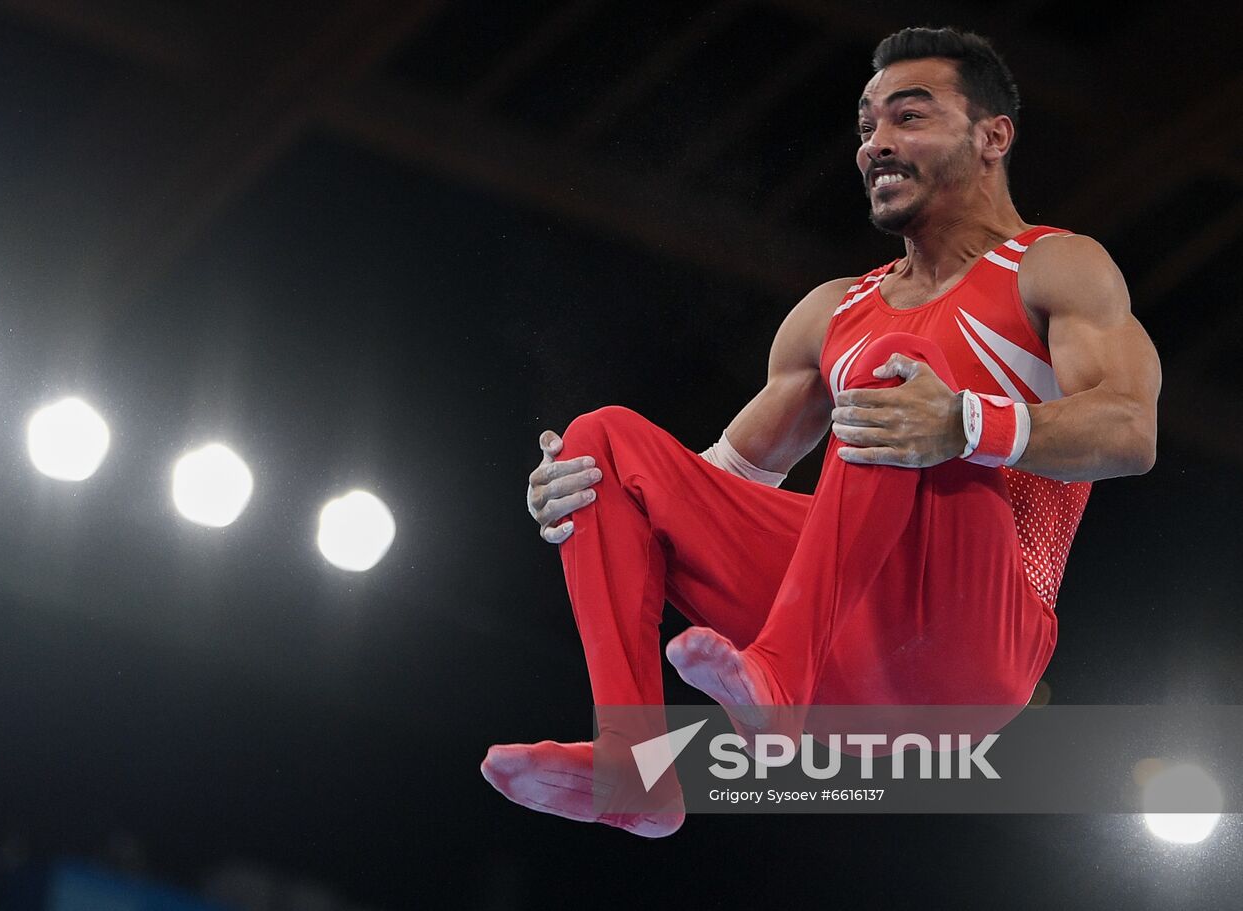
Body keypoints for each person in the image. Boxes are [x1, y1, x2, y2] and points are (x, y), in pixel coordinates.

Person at [481, 26, 1160, 838]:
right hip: (850, 663)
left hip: (978, 652)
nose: (877, 143)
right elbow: (709, 489)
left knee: (891, 369)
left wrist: (962, 421)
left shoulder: (1054, 266)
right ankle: (635, 766)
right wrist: (588, 500)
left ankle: (780, 671)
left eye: (909, 117)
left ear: (992, 137)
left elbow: (1130, 429)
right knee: (605, 441)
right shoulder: (832, 311)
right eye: (866, 125)